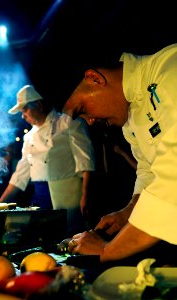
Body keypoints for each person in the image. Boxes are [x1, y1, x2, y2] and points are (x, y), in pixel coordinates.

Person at [61, 43, 177, 267]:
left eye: (82, 110)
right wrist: (129, 211)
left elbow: (173, 182)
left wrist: (106, 250)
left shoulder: (169, 71)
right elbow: (148, 171)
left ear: (94, 78)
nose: (91, 121)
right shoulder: (129, 120)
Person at [0, 84, 95, 235]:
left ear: (39, 105)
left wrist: (86, 196)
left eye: (25, 110)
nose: (23, 116)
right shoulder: (29, 137)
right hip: (40, 196)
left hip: (67, 194)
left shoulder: (68, 123)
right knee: (42, 236)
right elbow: (20, 176)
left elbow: (86, 161)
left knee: (68, 236)